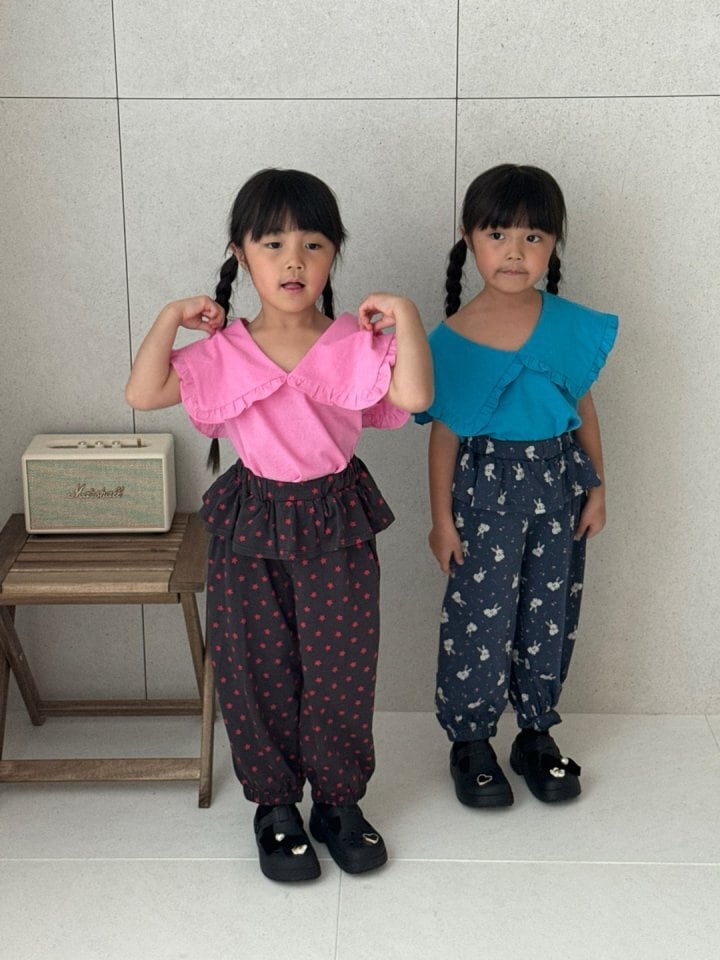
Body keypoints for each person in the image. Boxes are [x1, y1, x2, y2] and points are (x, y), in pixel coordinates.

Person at [126, 168, 432, 881]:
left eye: (313, 244)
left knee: (341, 669)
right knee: (253, 668)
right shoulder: (224, 351)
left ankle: (338, 801)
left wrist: (408, 316)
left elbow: (417, 394)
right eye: (272, 244)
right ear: (240, 254)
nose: (294, 260)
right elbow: (143, 391)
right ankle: (274, 806)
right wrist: (170, 316)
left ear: (333, 254)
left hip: (336, 521)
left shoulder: (355, 343)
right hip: (252, 521)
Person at [416, 164, 617, 808]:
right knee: (480, 617)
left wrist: (598, 488)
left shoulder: (568, 325)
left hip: (559, 491)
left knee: (548, 614)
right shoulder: (449, 341)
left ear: (553, 244)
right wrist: (441, 521)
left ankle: (535, 731)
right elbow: (443, 438)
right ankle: (471, 741)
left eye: (534, 237)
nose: (514, 251)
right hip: (484, 500)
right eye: (498, 234)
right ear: (469, 238)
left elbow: (583, 409)